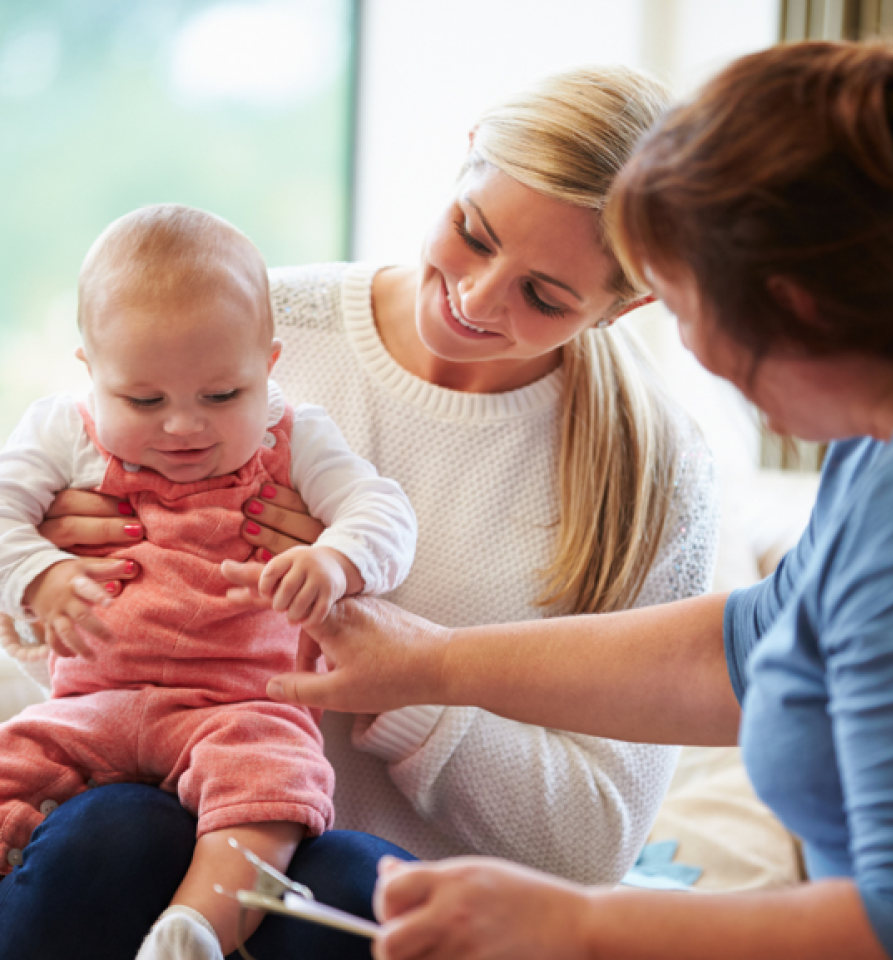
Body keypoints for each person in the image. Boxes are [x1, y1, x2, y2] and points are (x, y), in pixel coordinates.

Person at [259, 12, 893, 960]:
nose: (694, 356)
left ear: (789, 306)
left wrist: (582, 926)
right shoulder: (886, 440)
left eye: (676, 305)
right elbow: (754, 641)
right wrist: (430, 662)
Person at [0, 66, 720, 959]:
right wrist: (44, 580)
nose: (476, 299)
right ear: (463, 165)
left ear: (628, 304)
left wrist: (412, 676)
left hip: (381, 894)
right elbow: (48, 611)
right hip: (139, 824)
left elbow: (597, 842)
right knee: (112, 838)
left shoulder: (655, 474)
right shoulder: (242, 320)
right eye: (473, 232)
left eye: (545, 296)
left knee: (357, 890)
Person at [0, 203, 417, 960]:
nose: (184, 427)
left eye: (222, 397)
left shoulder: (296, 439)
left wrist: (337, 560)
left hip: (235, 704)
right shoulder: (63, 431)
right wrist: (38, 572)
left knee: (273, 781)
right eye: (144, 401)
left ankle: (194, 927)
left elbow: (382, 511)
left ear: (269, 366)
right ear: (90, 373)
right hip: (90, 705)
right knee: (11, 767)